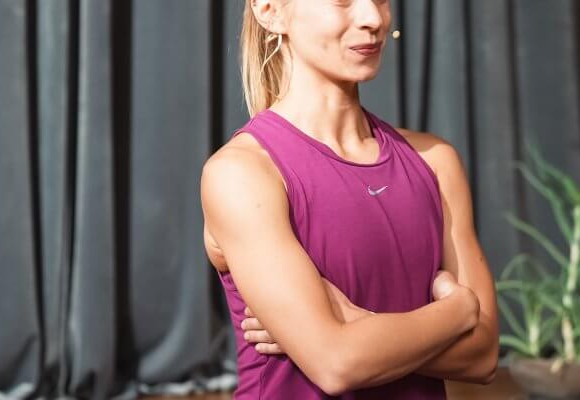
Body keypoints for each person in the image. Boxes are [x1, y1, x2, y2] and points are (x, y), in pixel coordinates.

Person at [199, 0, 498, 398]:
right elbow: (336, 364)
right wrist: (457, 311)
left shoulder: (435, 161)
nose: (373, 18)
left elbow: (483, 355)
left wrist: (359, 324)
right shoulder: (242, 174)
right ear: (270, 10)